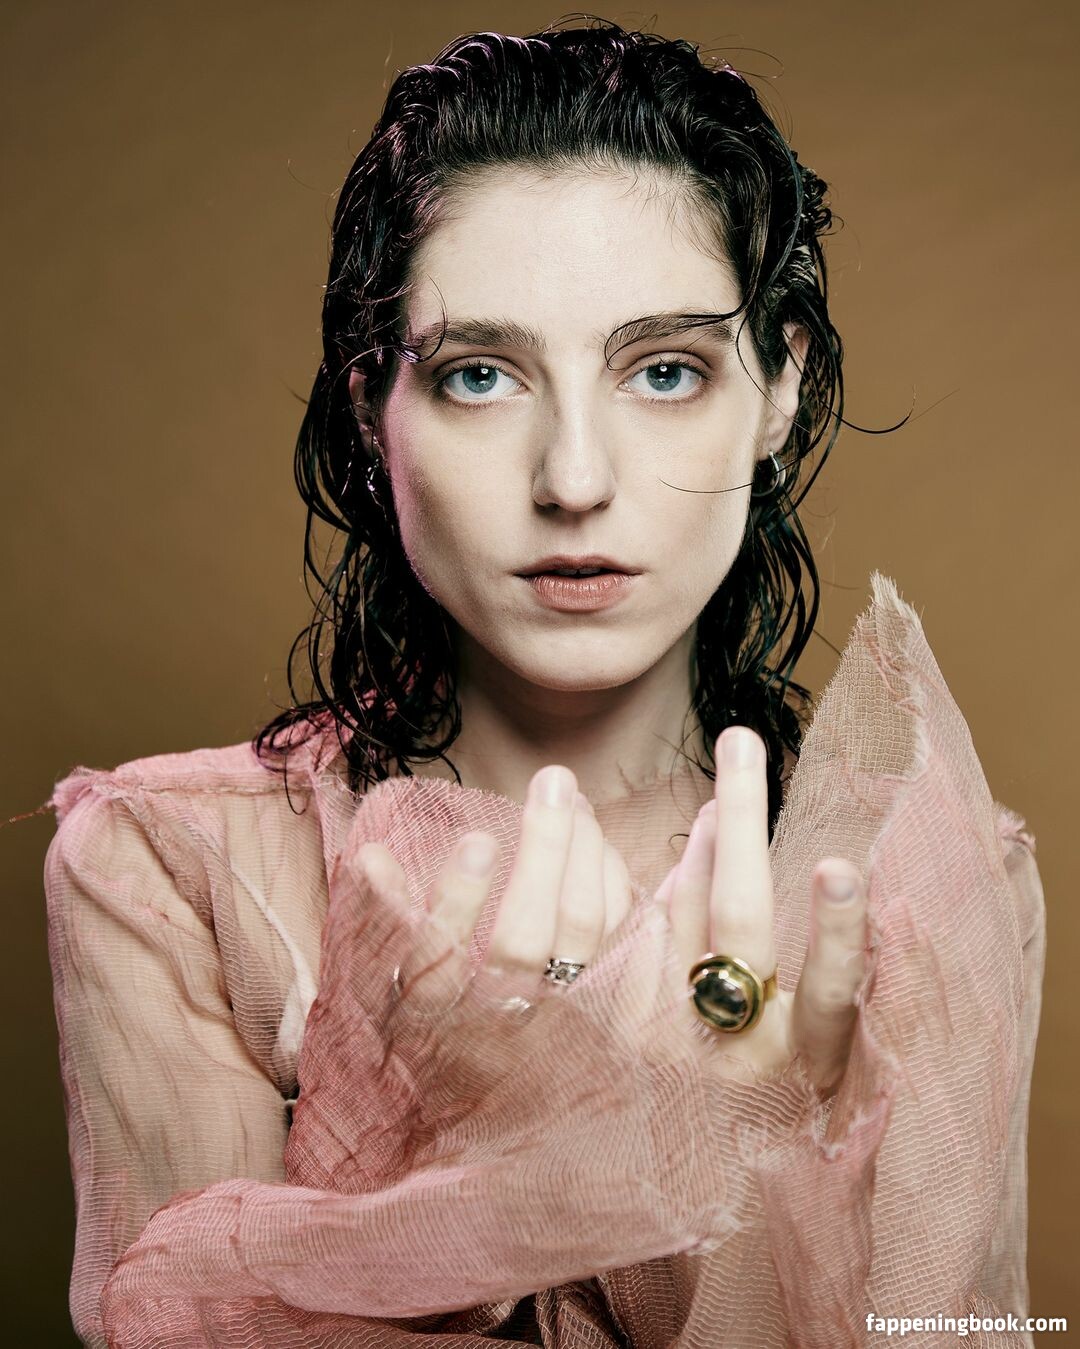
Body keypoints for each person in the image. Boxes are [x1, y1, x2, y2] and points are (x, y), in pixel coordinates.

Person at [42, 20, 1045, 1348]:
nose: (574, 478)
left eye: (666, 371)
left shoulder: (935, 889)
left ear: (780, 390)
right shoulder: (169, 868)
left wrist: (750, 1155)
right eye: (480, 376)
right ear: (370, 406)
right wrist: (461, 1164)